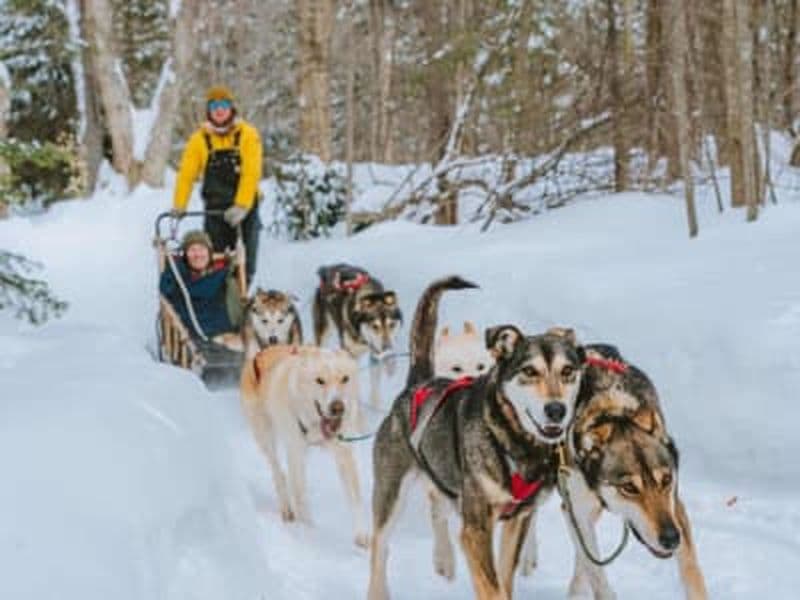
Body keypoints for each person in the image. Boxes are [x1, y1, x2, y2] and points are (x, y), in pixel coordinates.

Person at [172, 86, 263, 284]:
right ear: (209, 111)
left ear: (231, 108)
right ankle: (219, 297)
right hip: (215, 210)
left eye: (223, 105)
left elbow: (251, 172)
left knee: (245, 264)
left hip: (245, 210)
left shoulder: (247, 134)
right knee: (215, 262)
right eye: (214, 106)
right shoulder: (199, 139)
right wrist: (179, 205)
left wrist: (242, 205)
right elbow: (186, 175)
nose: (219, 110)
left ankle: (241, 293)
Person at [159, 230, 236, 339]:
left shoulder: (222, 274)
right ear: (185, 256)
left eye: (202, 249)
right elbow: (165, 289)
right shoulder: (177, 276)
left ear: (209, 253)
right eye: (192, 250)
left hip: (226, 332)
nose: (197, 254)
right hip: (195, 337)